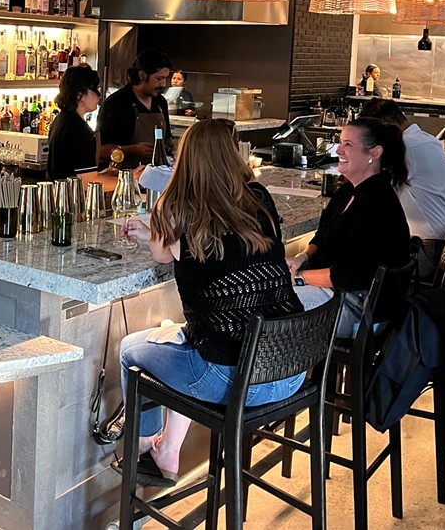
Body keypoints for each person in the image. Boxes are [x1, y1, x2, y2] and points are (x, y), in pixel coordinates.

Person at [116, 119, 307, 487]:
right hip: (289, 371)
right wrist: (153, 233)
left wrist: (152, 227)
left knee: (132, 350)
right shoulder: (259, 198)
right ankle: (167, 450)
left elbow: (161, 253)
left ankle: (138, 447)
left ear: (185, 160)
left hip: (232, 381)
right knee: (183, 337)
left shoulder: (177, 210)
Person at [286, 118, 411, 337]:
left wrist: (299, 277)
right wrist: (302, 258)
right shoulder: (348, 191)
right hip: (339, 293)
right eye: (340, 143)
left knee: (273, 309)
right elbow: (322, 237)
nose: (339, 150)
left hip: (361, 309)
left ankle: (288, 370)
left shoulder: (376, 204)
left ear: (374, 153)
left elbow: (349, 276)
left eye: (348, 145)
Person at [360, 98, 445, 278]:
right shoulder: (427, 139)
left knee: (355, 266)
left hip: (426, 253)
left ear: (387, 124)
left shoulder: (405, 146)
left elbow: (374, 185)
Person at [97, 49, 173, 169]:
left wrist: (174, 148)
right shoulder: (115, 104)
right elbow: (101, 151)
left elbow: (167, 139)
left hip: (156, 175)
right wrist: (132, 150)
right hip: (123, 177)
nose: (163, 84)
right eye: (159, 79)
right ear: (142, 75)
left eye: (165, 78)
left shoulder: (160, 102)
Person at [47, 66, 101, 180]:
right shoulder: (79, 130)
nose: (99, 95)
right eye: (96, 89)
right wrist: (127, 180)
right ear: (79, 95)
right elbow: (88, 182)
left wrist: (103, 175)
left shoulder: (62, 119)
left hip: (59, 193)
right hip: (72, 196)